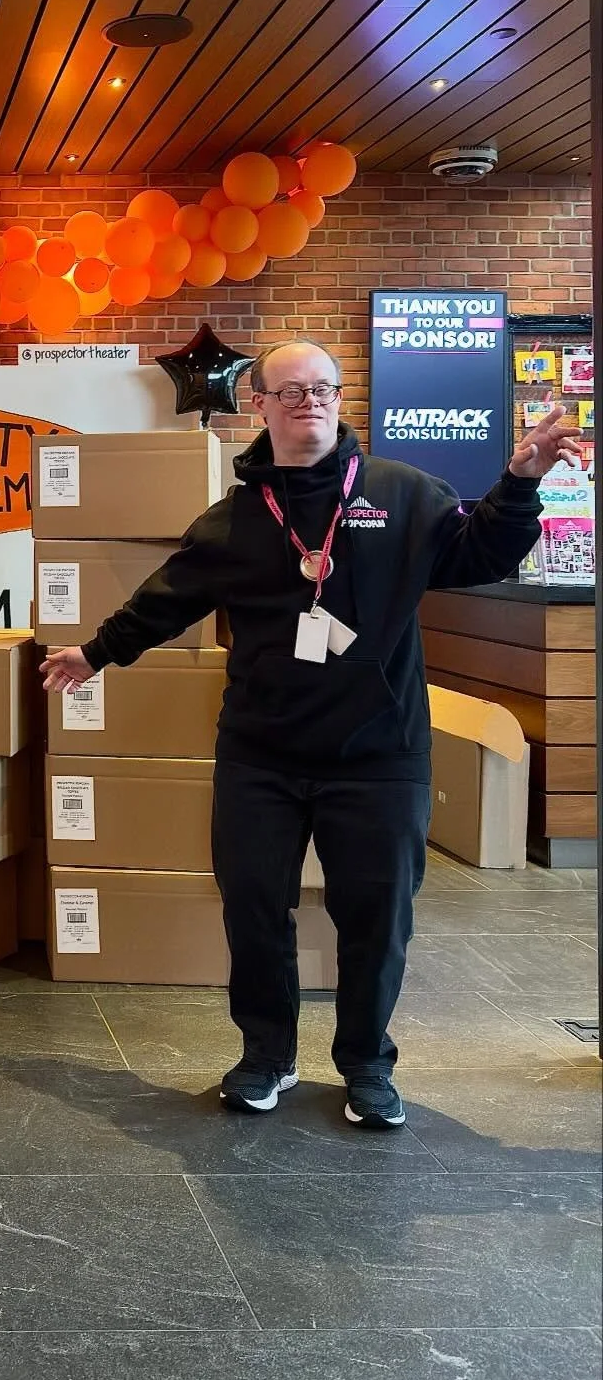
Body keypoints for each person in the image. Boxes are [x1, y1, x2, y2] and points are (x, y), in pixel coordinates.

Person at [40, 339, 579, 1129]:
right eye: (290, 391)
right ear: (256, 404)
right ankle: (267, 1055)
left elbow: (478, 556)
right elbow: (165, 601)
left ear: (338, 397)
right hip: (261, 755)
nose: (310, 402)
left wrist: (519, 483)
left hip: (381, 756)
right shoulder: (232, 522)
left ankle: (365, 1063)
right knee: (255, 910)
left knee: (377, 917)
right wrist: (94, 652)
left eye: (322, 388)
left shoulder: (403, 494)